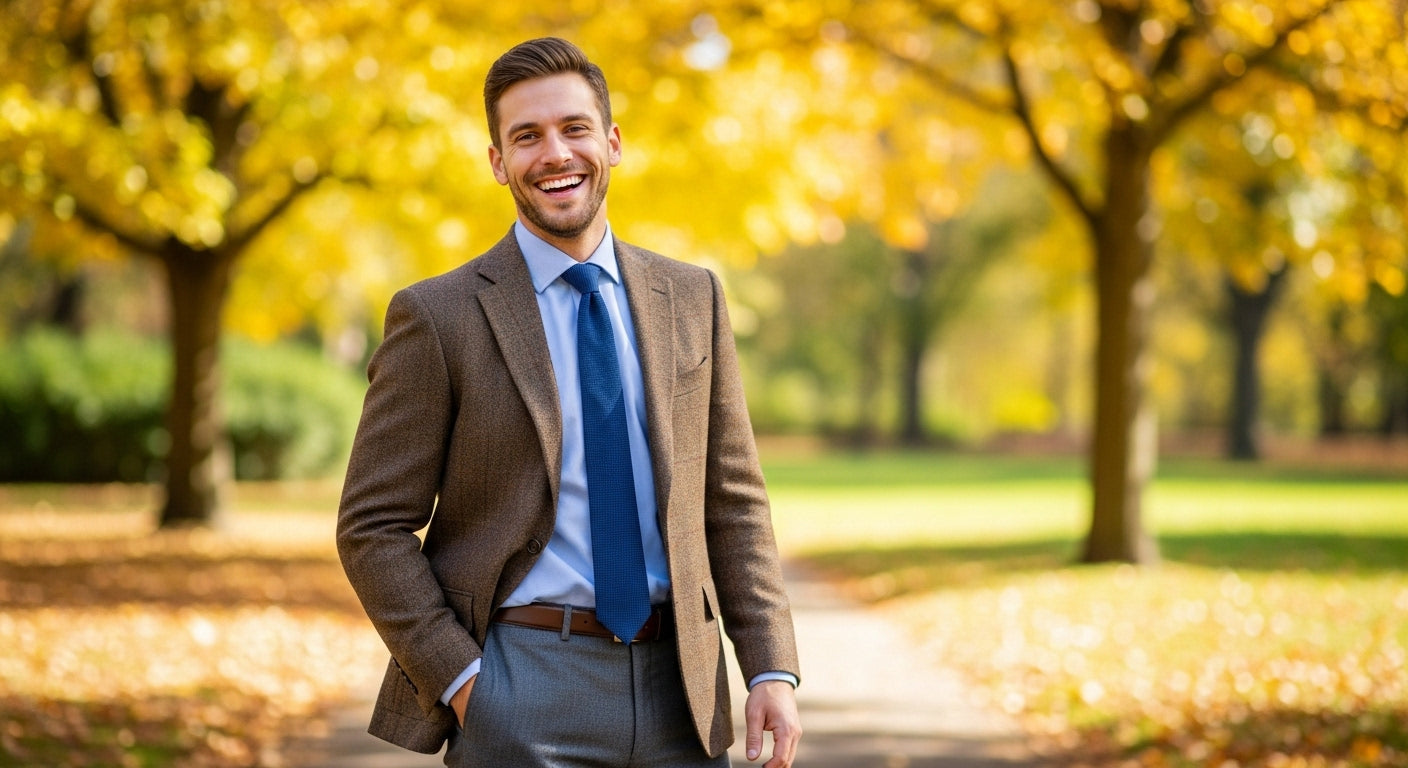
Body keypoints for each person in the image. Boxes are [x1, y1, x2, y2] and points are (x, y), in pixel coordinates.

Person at [336, 37, 802, 768]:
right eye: (526, 136)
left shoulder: (692, 298)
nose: (555, 154)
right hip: (522, 684)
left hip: (684, 686)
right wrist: (464, 684)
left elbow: (733, 500)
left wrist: (769, 666)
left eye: (574, 128)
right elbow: (372, 525)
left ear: (611, 143)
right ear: (497, 162)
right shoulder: (439, 316)